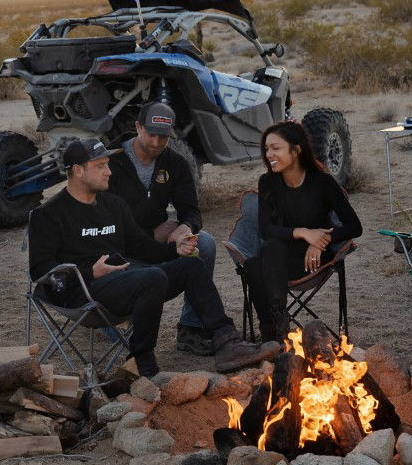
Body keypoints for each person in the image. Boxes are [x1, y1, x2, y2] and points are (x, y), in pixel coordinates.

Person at [27, 138, 281, 378]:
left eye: (108, 165)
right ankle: (141, 361)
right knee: (152, 277)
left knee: (191, 266)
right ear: (78, 170)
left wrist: (175, 250)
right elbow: (40, 270)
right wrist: (89, 273)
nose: (109, 172)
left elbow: (142, 247)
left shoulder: (113, 205)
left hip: (123, 281)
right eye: (100, 166)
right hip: (83, 291)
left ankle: (228, 342)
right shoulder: (48, 214)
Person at [106, 102, 219, 356]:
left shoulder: (175, 163)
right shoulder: (110, 162)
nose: (157, 142)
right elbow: (104, 223)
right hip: (120, 248)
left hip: (158, 243)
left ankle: (191, 328)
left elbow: (191, 210)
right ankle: (112, 319)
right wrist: (150, 235)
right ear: (138, 127)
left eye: (164, 137)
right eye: (151, 134)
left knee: (205, 243)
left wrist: (185, 227)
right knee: (123, 328)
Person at [243, 120, 363, 343]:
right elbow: (266, 230)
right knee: (258, 259)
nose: (269, 154)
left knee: (260, 261)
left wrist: (321, 241)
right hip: (278, 259)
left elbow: (354, 226)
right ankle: (275, 330)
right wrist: (304, 232)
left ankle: (275, 336)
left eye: (276, 148)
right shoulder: (268, 182)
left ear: (296, 150)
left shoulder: (322, 182)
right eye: (267, 149)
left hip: (312, 261)